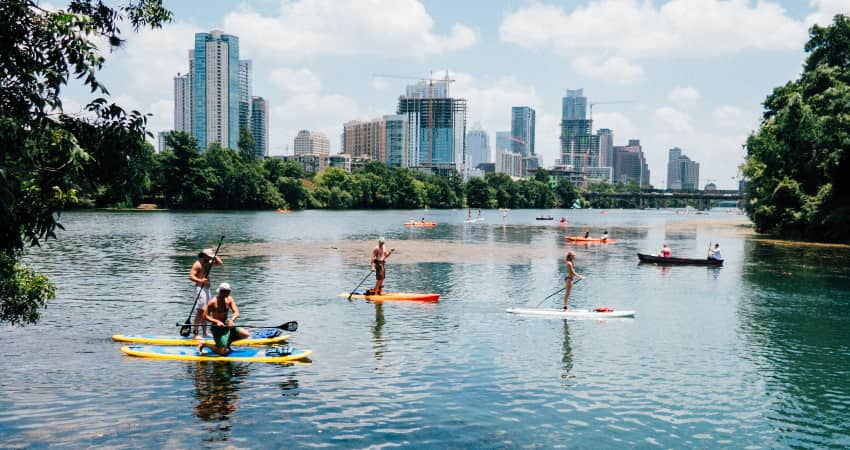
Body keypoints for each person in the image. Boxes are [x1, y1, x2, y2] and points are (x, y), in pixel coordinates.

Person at [197, 283, 250, 356]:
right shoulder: (213, 302)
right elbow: (204, 316)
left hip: (227, 326)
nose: (229, 293)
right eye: (228, 291)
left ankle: (226, 343)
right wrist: (217, 321)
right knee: (222, 352)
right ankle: (205, 344)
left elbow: (236, 312)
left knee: (246, 334)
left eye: (229, 291)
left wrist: (232, 320)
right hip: (217, 328)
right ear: (222, 292)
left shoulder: (229, 299)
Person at [189, 248, 223, 339]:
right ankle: (196, 334)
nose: (209, 258)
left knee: (206, 311)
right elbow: (191, 276)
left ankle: (205, 333)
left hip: (207, 289)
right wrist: (200, 280)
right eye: (208, 256)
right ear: (203, 255)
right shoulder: (197, 264)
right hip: (200, 289)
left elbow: (220, 263)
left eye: (210, 257)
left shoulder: (208, 262)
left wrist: (215, 256)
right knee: (200, 311)